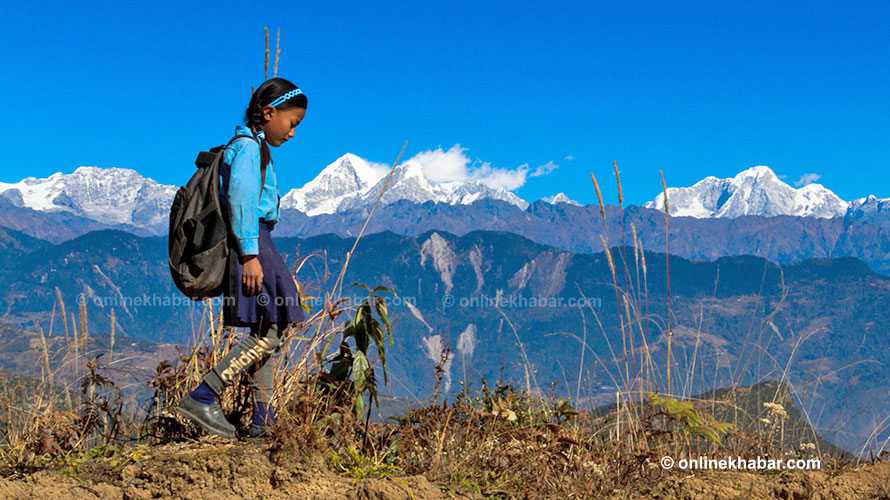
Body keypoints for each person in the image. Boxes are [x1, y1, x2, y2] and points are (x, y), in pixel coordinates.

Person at [176, 78, 308, 439]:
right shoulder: (248, 149)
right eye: (292, 123)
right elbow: (241, 203)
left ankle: (262, 423)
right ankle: (204, 395)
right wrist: (251, 256)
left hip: (253, 243)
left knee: (265, 329)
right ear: (269, 113)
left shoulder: (248, 146)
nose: (293, 133)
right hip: (254, 243)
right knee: (271, 330)